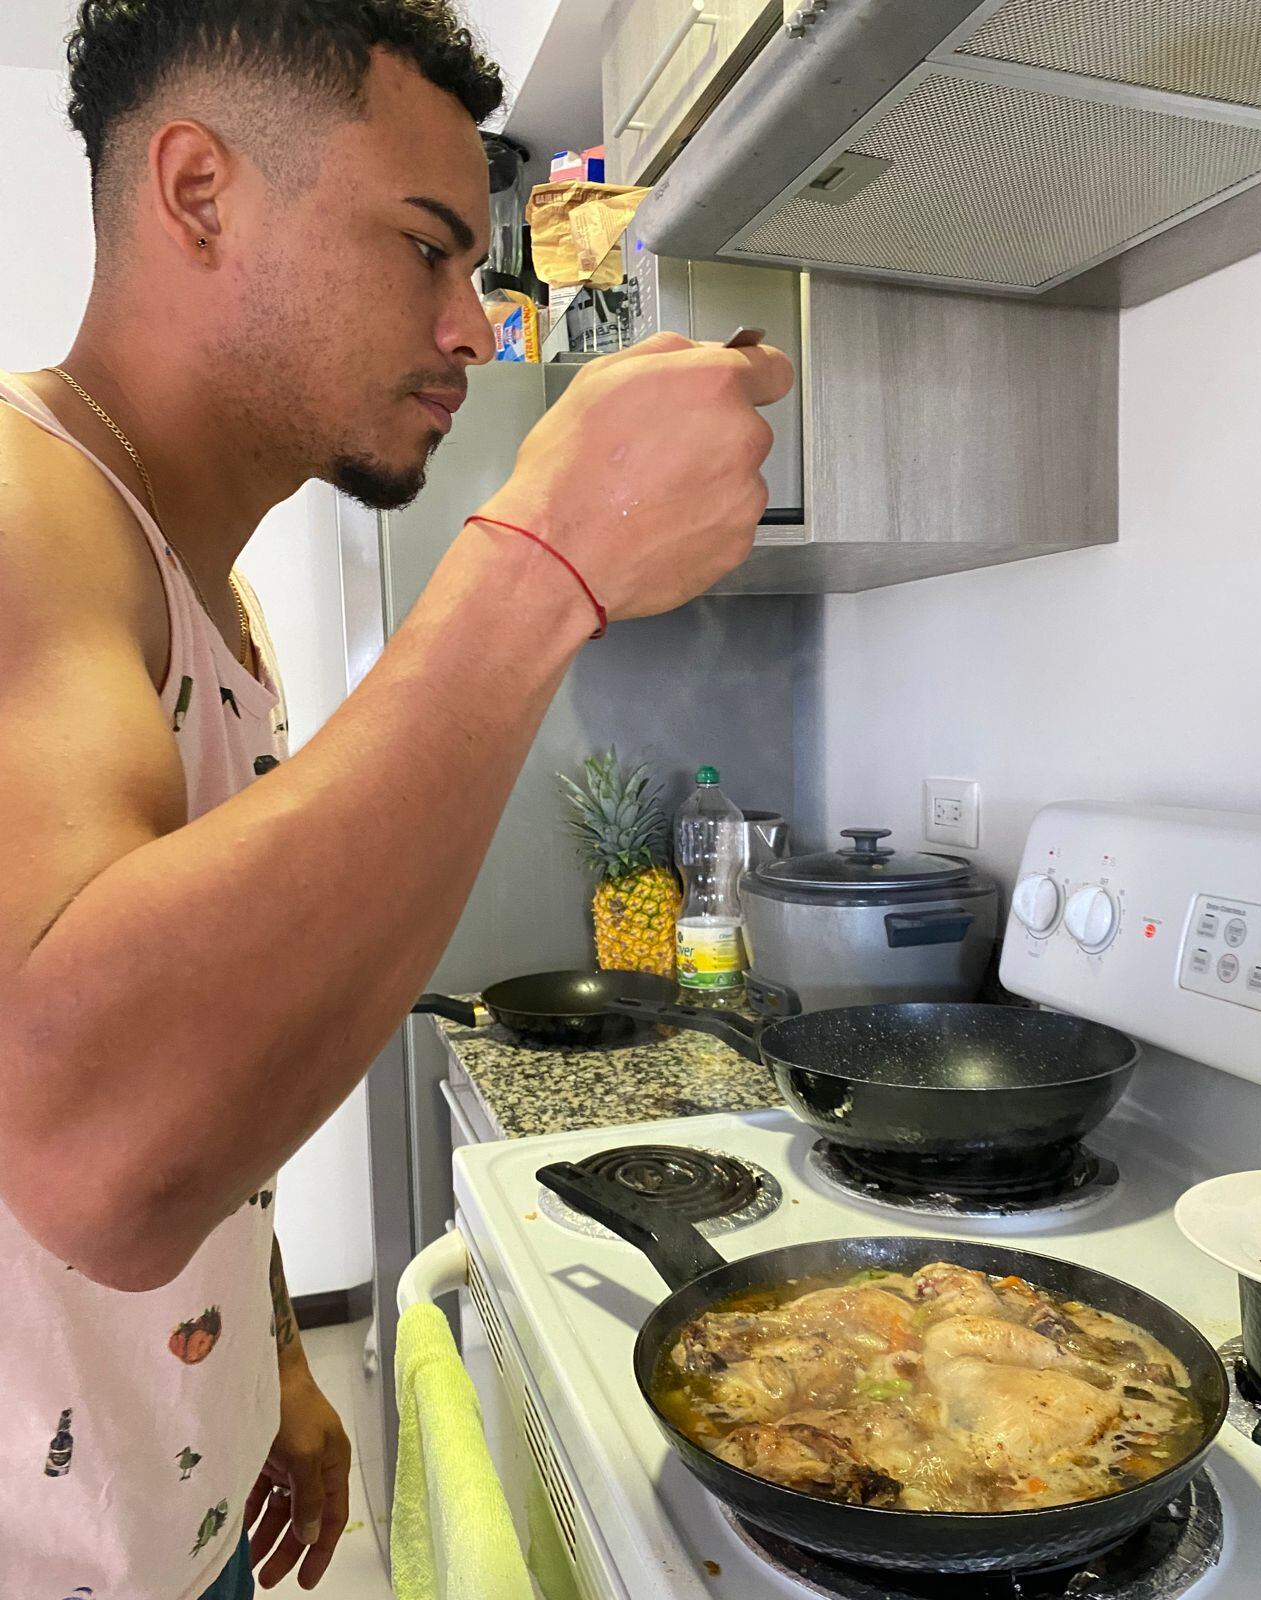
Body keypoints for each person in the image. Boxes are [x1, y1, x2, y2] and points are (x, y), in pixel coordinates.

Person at [0, 0, 792, 1594]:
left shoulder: (218, 603)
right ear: (201, 191)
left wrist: (275, 1359)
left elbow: (225, 1044)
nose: (474, 327)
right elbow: (90, 1148)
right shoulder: (20, 512)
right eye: (429, 247)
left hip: (184, 1512)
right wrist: (545, 556)